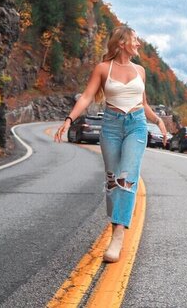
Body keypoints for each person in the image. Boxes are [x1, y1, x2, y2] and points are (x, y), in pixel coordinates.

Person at [54, 25, 168, 263]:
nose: (138, 44)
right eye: (135, 40)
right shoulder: (103, 68)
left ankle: (118, 235)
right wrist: (68, 120)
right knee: (112, 180)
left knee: (127, 177)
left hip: (136, 125)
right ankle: (116, 222)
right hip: (111, 126)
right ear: (122, 43)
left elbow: (144, 104)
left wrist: (158, 121)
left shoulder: (140, 71)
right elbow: (87, 96)